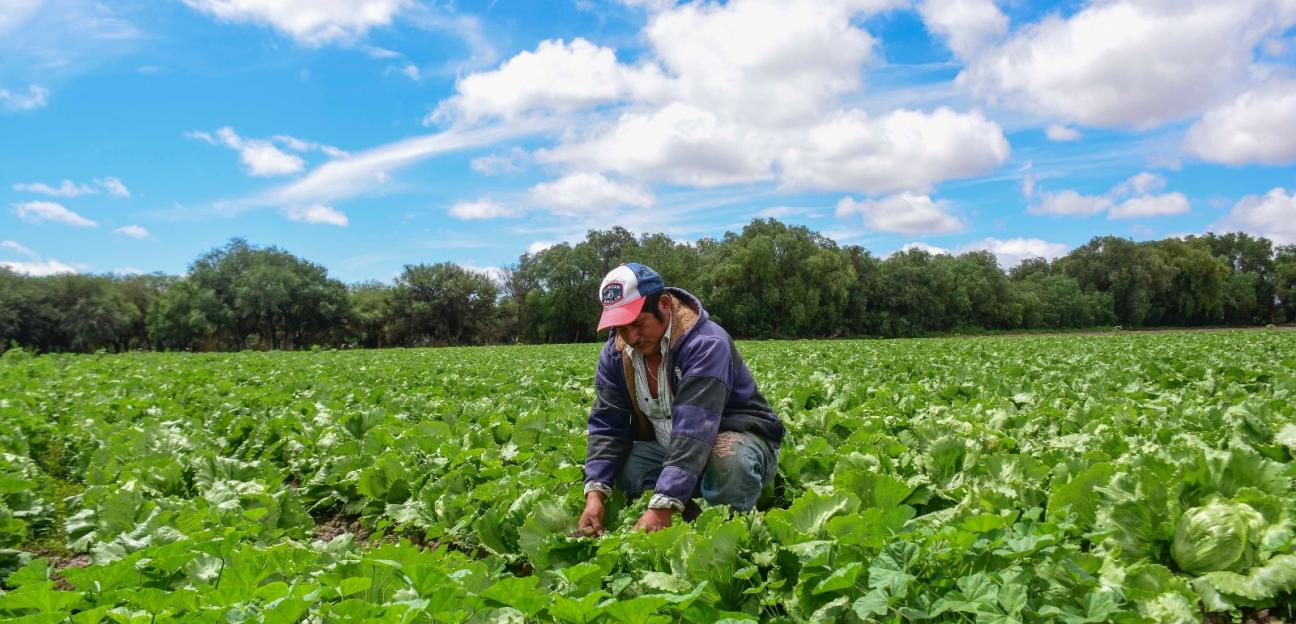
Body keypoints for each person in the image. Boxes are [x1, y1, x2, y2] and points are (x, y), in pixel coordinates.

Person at [577, 263, 785, 535]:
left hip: (732, 436)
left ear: (664, 304)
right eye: (621, 329)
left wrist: (662, 506)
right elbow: (607, 424)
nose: (631, 338)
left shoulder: (705, 344)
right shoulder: (615, 354)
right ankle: (686, 504)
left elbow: (694, 430)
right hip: (672, 446)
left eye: (638, 324)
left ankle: (727, 528)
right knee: (621, 471)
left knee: (729, 464)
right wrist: (594, 494)